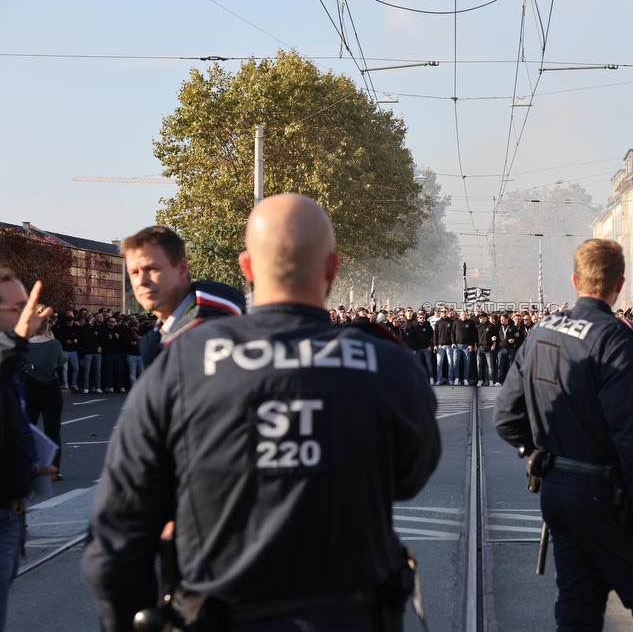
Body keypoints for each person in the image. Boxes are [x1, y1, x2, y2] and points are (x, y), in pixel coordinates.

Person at [82, 193, 441, 632]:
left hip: (221, 615)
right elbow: (410, 476)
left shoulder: (183, 360)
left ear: (247, 268)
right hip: (351, 616)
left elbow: (119, 535)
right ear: (332, 268)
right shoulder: (387, 362)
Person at [494, 239, 633, 632]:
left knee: (578, 604)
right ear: (619, 283)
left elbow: (506, 417)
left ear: (574, 279)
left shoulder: (541, 330)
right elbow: (631, 436)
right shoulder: (616, 337)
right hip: (604, 493)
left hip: (555, 487)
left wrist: (536, 451)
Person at [0, 271, 58, 632]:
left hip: (13, 516)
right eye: (18, 308)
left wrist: (31, 467)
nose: (30, 315)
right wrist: (18, 338)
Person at [119, 225, 246, 369]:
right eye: (134, 272)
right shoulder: (157, 336)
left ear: (182, 269)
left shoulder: (220, 320)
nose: (141, 281)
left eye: (152, 269)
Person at [23, 307, 66, 481]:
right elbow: (60, 362)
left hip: (30, 389)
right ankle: (53, 471)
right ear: (47, 327)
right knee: (52, 431)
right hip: (50, 389)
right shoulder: (54, 344)